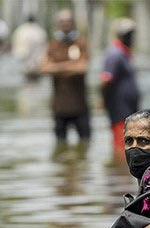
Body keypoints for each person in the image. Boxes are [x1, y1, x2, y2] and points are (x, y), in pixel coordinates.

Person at [42, 10, 91, 143]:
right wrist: (70, 66)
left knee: (85, 143)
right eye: (62, 21)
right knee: (60, 145)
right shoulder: (53, 45)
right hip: (60, 106)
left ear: (73, 24)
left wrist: (57, 67)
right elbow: (45, 68)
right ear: (57, 24)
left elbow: (82, 68)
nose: (65, 24)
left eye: (68, 21)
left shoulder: (81, 43)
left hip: (80, 105)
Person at [101, 18, 140, 159]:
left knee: (129, 141)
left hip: (128, 108)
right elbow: (105, 80)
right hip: (119, 108)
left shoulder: (125, 53)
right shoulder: (114, 54)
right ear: (120, 35)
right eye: (128, 35)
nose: (131, 38)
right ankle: (120, 172)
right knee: (122, 143)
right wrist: (103, 100)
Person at [12, 15, 47, 81]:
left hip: (25, 57)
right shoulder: (39, 30)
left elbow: (16, 45)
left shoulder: (20, 30)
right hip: (34, 59)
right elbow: (43, 46)